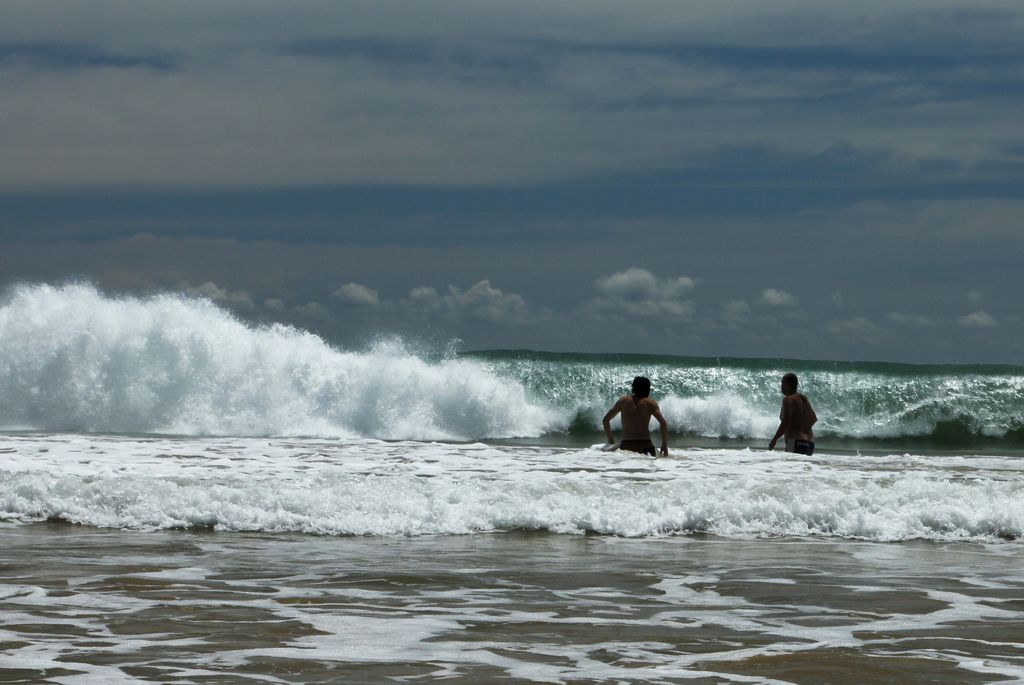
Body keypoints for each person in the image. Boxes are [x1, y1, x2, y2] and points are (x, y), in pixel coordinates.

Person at [603, 376, 669, 456]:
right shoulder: (650, 403)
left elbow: (605, 420)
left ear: (633, 388)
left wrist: (611, 440)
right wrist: (664, 445)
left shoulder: (623, 401)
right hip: (645, 445)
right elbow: (663, 423)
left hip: (627, 445)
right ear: (647, 389)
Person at [768, 372, 817, 455]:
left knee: (788, 467)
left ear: (788, 385)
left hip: (795, 443)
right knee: (802, 468)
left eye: (782, 383)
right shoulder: (803, 398)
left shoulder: (788, 399)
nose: (781, 387)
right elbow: (813, 419)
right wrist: (801, 429)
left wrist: (774, 439)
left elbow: (786, 421)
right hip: (810, 443)